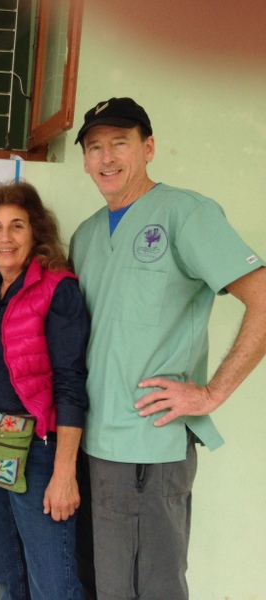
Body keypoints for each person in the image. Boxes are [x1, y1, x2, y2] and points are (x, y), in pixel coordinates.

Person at [70, 97, 266, 600]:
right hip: (92, 446)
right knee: (105, 586)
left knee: (151, 588)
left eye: (120, 143)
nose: (106, 157)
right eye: (94, 147)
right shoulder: (86, 236)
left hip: (149, 447)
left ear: (149, 148)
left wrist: (211, 393)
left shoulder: (186, 213)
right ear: (85, 160)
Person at [0, 181, 91, 600]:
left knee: (53, 583)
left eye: (17, 225)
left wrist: (64, 473)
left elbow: (71, 384)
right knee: (6, 573)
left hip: (39, 450)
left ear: (35, 233)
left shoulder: (58, 289)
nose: (5, 237)